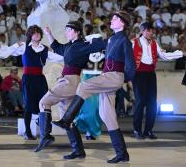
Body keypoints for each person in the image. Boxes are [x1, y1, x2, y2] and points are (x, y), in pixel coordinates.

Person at [52, 11, 136, 164]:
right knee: (107, 116)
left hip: (114, 76)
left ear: (123, 23)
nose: (112, 19)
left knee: (84, 86)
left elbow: (131, 65)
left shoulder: (124, 40)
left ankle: (67, 119)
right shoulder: (111, 39)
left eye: (116, 18)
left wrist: (123, 79)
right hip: (108, 77)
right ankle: (122, 153)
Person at [35, 21, 105, 160]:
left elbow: (101, 44)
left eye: (69, 30)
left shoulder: (83, 45)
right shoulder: (69, 46)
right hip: (70, 81)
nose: (66, 32)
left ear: (77, 32)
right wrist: (49, 34)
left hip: (70, 81)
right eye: (66, 29)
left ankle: (45, 136)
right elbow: (56, 47)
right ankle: (78, 150)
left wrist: (93, 38)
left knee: (43, 103)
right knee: (68, 119)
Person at [131, 22, 185, 139]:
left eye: (152, 31)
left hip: (151, 74)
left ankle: (148, 130)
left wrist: (180, 53)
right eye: (148, 30)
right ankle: (136, 130)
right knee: (140, 102)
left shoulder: (155, 43)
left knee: (152, 103)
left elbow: (165, 56)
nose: (151, 33)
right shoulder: (133, 42)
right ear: (142, 31)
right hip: (138, 74)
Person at [16, 25, 63, 140]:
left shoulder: (44, 49)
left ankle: (43, 127)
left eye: (38, 32)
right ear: (30, 35)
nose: (36, 34)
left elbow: (59, 58)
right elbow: (6, 52)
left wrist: (72, 56)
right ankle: (27, 132)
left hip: (40, 79)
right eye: (34, 32)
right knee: (28, 105)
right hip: (28, 78)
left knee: (45, 102)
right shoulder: (23, 46)